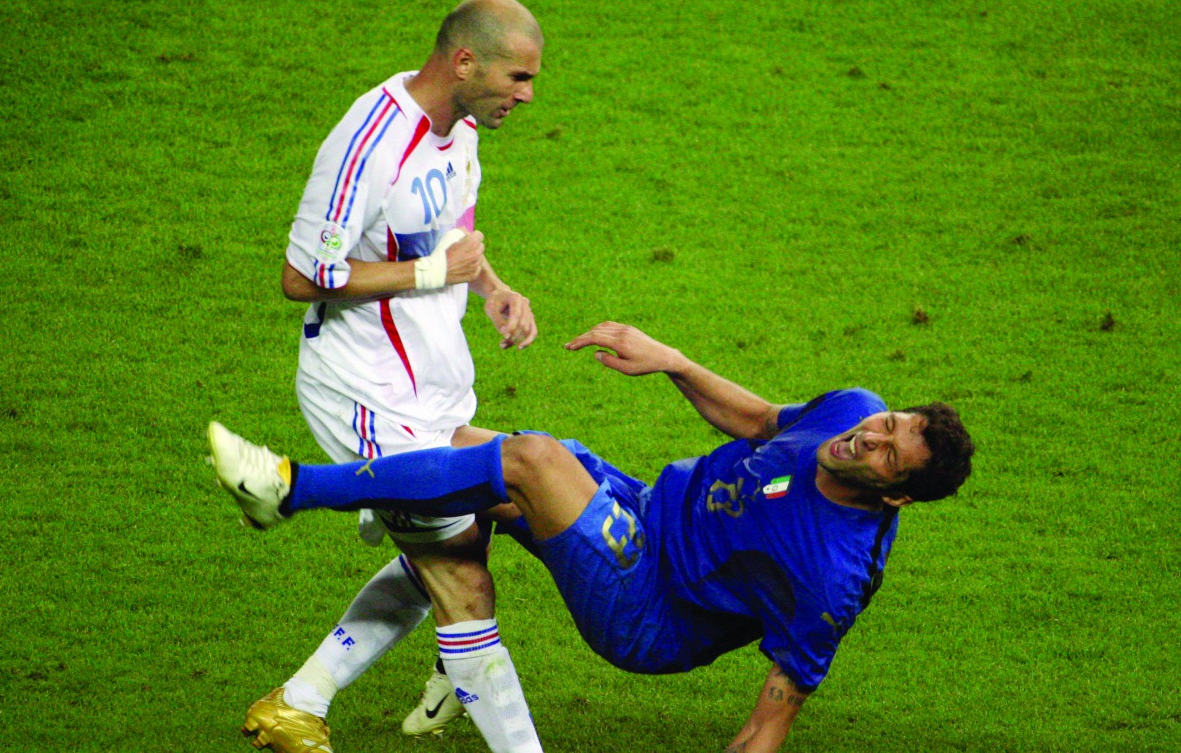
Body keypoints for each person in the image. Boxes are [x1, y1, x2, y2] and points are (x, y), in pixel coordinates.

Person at [209, 321, 976, 752]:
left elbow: (768, 723)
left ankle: (289, 489)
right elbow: (762, 421)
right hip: (641, 510)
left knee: (527, 459)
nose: (867, 437)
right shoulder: (854, 410)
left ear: (898, 495)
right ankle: (331, 691)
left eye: (886, 452)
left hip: (648, 611)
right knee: (461, 456)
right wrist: (674, 361)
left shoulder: (832, 577)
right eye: (889, 422)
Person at [247, 0, 545, 753]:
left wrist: (492, 288)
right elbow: (301, 276)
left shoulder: (462, 131)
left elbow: (454, 233)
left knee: (482, 515)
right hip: (365, 389)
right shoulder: (370, 141)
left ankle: (301, 700)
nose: (527, 95)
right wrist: (427, 274)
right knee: (462, 577)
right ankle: (476, 686)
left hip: (434, 380)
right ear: (464, 61)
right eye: (517, 77)